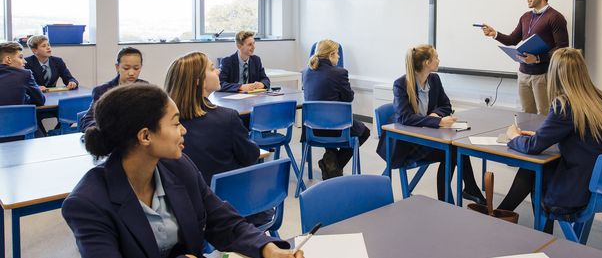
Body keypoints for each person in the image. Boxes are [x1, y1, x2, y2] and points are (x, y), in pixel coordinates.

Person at [62, 84, 302, 258]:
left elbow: (222, 221)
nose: (184, 130)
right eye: (176, 123)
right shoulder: (87, 203)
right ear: (145, 136)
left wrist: (267, 248)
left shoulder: (179, 166)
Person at [496, 48, 602, 233]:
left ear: (554, 74)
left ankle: (499, 217)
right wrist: (542, 137)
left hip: (581, 191)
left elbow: (533, 147)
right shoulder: (601, 99)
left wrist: (514, 136)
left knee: (533, 170)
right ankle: (501, 216)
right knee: (534, 170)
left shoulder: (565, 105)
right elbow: (581, 138)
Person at [375, 44, 484, 203]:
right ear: (427, 62)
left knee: (457, 149)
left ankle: (461, 193)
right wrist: (436, 121)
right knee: (452, 152)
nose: (439, 61)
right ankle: (454, 197)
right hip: (406, 143)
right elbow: (405, 117)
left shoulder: (434, 80)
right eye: (436, 58)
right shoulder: (401, 84)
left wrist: (436, 114)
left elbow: (446, 106)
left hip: (427, 136)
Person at [165, 52, 260, 186]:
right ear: (199, 81)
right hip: (224, 199)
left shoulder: (164, 124)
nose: (218, 71)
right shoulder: (227, 118)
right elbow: (251, 156)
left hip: (183, 200)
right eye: (212, 68)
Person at [482, 0, 569, 115]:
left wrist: (538, 58)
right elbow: (512, 39)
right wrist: (495, 34)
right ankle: (528, 138)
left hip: (544, 75)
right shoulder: (525, 17)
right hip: (523, 74)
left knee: (544, 114)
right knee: (526, 114)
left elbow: (562, 49)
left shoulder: (555, 17)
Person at [302, 39, 370, 179]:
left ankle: (330, 161)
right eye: (337, 54)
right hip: (336, 128)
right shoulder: (340, 73)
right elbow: (348, 98)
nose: (339, 57)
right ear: (331, 54)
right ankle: (333, 166)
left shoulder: (306, 72)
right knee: (364, 132)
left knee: (328, 126)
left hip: (312, 129)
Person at [79, 47, 147, 131]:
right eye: (126, 68)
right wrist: (109, 129)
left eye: (136, 68)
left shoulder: (146, 89)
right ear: (117, 67)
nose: (131, 73)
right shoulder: (102, 91)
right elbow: (87, 121)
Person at [0, 41, 45, 107]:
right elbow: (40, 101)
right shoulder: (25, 74)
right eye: (20, 57)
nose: (25, 61)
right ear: (8, 59)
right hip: (16, 116)